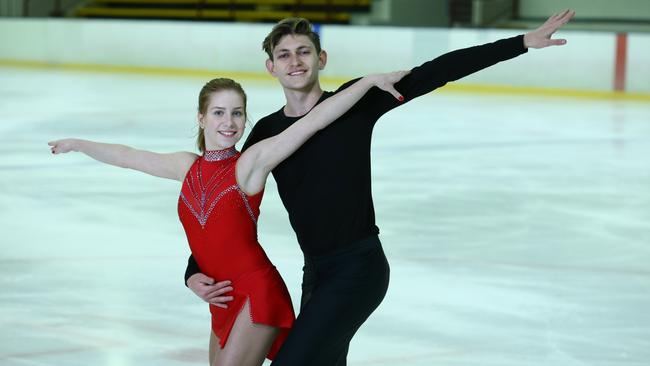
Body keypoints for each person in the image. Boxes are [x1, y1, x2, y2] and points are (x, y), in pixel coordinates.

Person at [183, 9, 576, 366]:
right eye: (284, 55)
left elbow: (438, 70)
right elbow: (224, 205)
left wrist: (520, 43)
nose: (295, 61)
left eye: (304, 51)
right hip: (315, 273)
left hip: (359, 268)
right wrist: (194, 269)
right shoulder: (266, 133)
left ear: (321, 59)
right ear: (271, 67)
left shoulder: (356, 101)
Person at [48, 71, 408, 366]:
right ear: (201, 117)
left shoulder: (249, 164)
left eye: (237, 113)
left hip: (256, 291)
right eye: (219, 112)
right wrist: (79, 144)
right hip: (222, 298)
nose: (229, 122)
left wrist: (364, 84)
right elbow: (129, 156)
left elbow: (312, 124)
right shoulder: (185, 166)